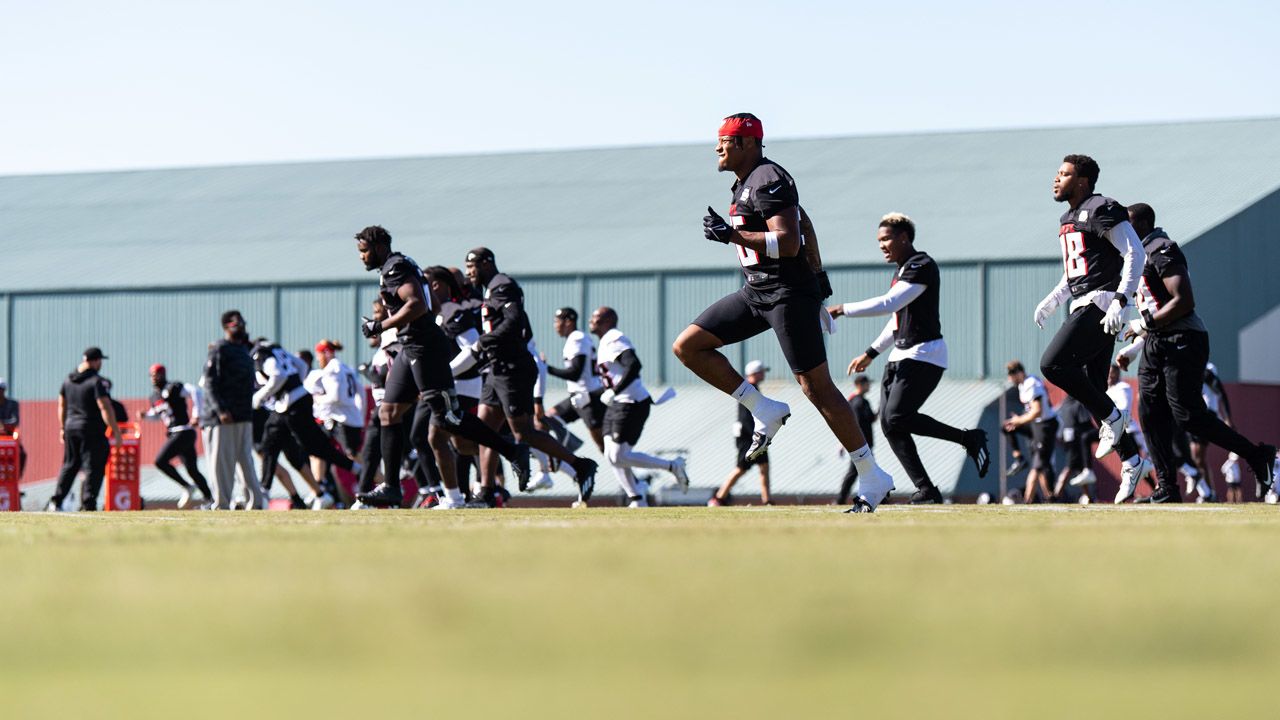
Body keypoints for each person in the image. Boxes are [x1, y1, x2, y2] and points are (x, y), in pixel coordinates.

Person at [671, 112, 894, 513]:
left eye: (724, 140)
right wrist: (822, 274)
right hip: (757, 293)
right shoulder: (745, 182)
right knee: (688, 346)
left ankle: (872, 474)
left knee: (817, 387)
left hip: (788, 294)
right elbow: (806, 221)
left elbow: (790, 241)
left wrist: (732, 235)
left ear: (745, 143)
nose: (717, 148)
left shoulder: (768, 177)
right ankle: (763, 408)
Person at [354, 226, 536, 510]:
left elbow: (417, 305)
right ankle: (391, 487)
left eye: (364, 251)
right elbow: (435, 305)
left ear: (378, 247)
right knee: (388, 412)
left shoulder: (395, 268)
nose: (362, 257)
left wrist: (381, 325)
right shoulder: (399, 265)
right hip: (410, 345)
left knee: (449, 418)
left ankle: (513, 450)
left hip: (425, 348)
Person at [1120, 202, 1275, 502]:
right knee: (1150, 414)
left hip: (1183, 338)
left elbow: (1183, 300)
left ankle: (1258, 455)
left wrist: (1146, 323)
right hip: (1156, 340)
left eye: (1127, 226)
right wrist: (1139, 339)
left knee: (1188, 415)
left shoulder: (1162, 248)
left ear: (1139, 225)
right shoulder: (1136, 255)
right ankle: (1167, 487)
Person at [833, 213, 991, 504]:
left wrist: (843, 309)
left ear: (904, 237)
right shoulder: (901, 271)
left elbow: (888, 303)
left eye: (886, 239)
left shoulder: (922, 265)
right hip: (899, 356)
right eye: (879, 240)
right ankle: (928, 489)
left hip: (926, 355)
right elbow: (897, 320)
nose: (882, 245)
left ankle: (967, 439)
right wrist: (871, 353)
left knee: (895, 416)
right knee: (891, 424)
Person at [1032, 154, 1150, 495]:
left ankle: (1116, 417)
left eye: (1064, 173)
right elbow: (1077, 272)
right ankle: (1131, 460)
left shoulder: (1102, 207)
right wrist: (1054, 299)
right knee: (1093, 394)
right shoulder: (1067, 217)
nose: (1056, 178)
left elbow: (1135, 253)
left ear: (1082, 181)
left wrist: (1121, 299)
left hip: (1102, 304)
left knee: (1052, 365)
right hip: (1085, 300)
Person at [461, 246, 598, 505]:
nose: (470, 273)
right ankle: (486, 491)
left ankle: (580, 466)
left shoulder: (503, 286)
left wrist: (484, 342)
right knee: (483, 430)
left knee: (523, 433)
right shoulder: (488, 291)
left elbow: (513, 321)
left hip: (513, 368)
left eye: (473, 267)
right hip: (495, 368)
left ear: (487, 264)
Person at [591, 307, 687, 507]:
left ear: (608, 320)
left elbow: (633, 365)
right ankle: (636, 498)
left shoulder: (614, 337)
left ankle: (672, 466)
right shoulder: (604, 341)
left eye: (596, 317)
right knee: (611, 455)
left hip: (631, 402)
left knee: (618, 455)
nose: (592, 320)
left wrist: (615, 391)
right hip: (618, 402)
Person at [201, 311, 266, 510]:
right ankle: (221, 503)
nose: (243, 328)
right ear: (229, 326)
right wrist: (220, 410)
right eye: (239, 325)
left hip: (243, 415)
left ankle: (255, 502)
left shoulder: (242, 351)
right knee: (222, 463)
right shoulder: (220, 349)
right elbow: (209, 383)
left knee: (246, 461)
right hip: (223, 418)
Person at [47, 347, 122, 511]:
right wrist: (115, 430)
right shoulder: (96, 381)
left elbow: (62, 405)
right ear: (94, 361)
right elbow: (105, 407)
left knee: (70, 464)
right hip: (91, 429)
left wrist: (62, 428)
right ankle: (88, 503)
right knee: (93, 466)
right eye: (100, 360)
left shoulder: (68, 380)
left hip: (71, 428)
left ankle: (56, 501)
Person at [138, 363, 212, 508]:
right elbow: (159, 415)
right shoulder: (154, 396)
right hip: (175, 432)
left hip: (183, 431)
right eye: (152, 375)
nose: (154, 378)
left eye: (156, 375)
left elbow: (195, 391)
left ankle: (187, 487)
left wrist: (197, 414)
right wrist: (146, 415)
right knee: (192, 469)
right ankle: (210, 499)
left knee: (160, 461)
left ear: (163, 374)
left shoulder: (173, 387)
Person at [710, 360, 771, 507]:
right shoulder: (749, 389)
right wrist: (756, 435)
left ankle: (767, 500)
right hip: (749, 435)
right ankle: (718, 498)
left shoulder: (749, 388)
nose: (764, 374)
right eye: (762, 371)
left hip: (752, 434)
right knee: (741, 468)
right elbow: (746, 417)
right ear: (755, 373)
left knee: (764, 466)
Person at [545, 307, 606, 454]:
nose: (555, 325)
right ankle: (550, 466)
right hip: (578, 396)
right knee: (544, 420)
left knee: (606, 448)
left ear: (568, 322)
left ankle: (634, 476)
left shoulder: (577, 338)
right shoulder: (574, 339)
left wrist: (546, 368)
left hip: (588, 397)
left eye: (557, 321)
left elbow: (575, 373)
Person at [308, 339, 365, 495]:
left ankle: (386, 484)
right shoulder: (346, 368)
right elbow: (361, 393)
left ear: (326, 353)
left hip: (343, 419)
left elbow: (335, 396)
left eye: (319, 355)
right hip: (336, 418)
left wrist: (317, 399)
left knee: (353, 455)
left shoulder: (334, 369)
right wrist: (360, 414)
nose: (318, 359)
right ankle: (319, 492)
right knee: (317, 450)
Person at [1002, 361, 1058, 503]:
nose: (1011, 379)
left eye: (1012, 375)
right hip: (1035, 425)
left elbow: (1037, 411)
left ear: (1019, 373)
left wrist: (1019, 420)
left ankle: (1028, 499)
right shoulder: (1023, 385)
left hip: (1045, 425)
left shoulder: (1031, 383)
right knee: (1007, 426)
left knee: (1038, 465)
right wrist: (1017, 421)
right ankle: (1019, 458)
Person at [1106, 363, 1160, 502]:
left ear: (1118, 373)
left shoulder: (1123, 388)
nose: (1110, 376)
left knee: (1134, 464)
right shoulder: (1108, 390)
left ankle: (1153, 490)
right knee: (1133, 464)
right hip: (1116, 433)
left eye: (1113, 372)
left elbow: (1124, 409)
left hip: (1129, 432)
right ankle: (1148, 490)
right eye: (1109, 373)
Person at [835, 374, 877, 505]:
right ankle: (840, 499)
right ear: (860, 385)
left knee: (869, 472)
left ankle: (879, 498)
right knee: (858, 473)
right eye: (867, 383)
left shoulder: (851, 401)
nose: (869, 386)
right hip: (862, 445)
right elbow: (858, 423)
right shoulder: (861, 402)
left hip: (858, 444)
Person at [0, 378, 26, 480]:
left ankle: (15, 480)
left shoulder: (12, 404)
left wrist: (2, 424)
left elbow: (15, 421)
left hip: (9, 438)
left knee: (21, 454)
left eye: (1, 389)